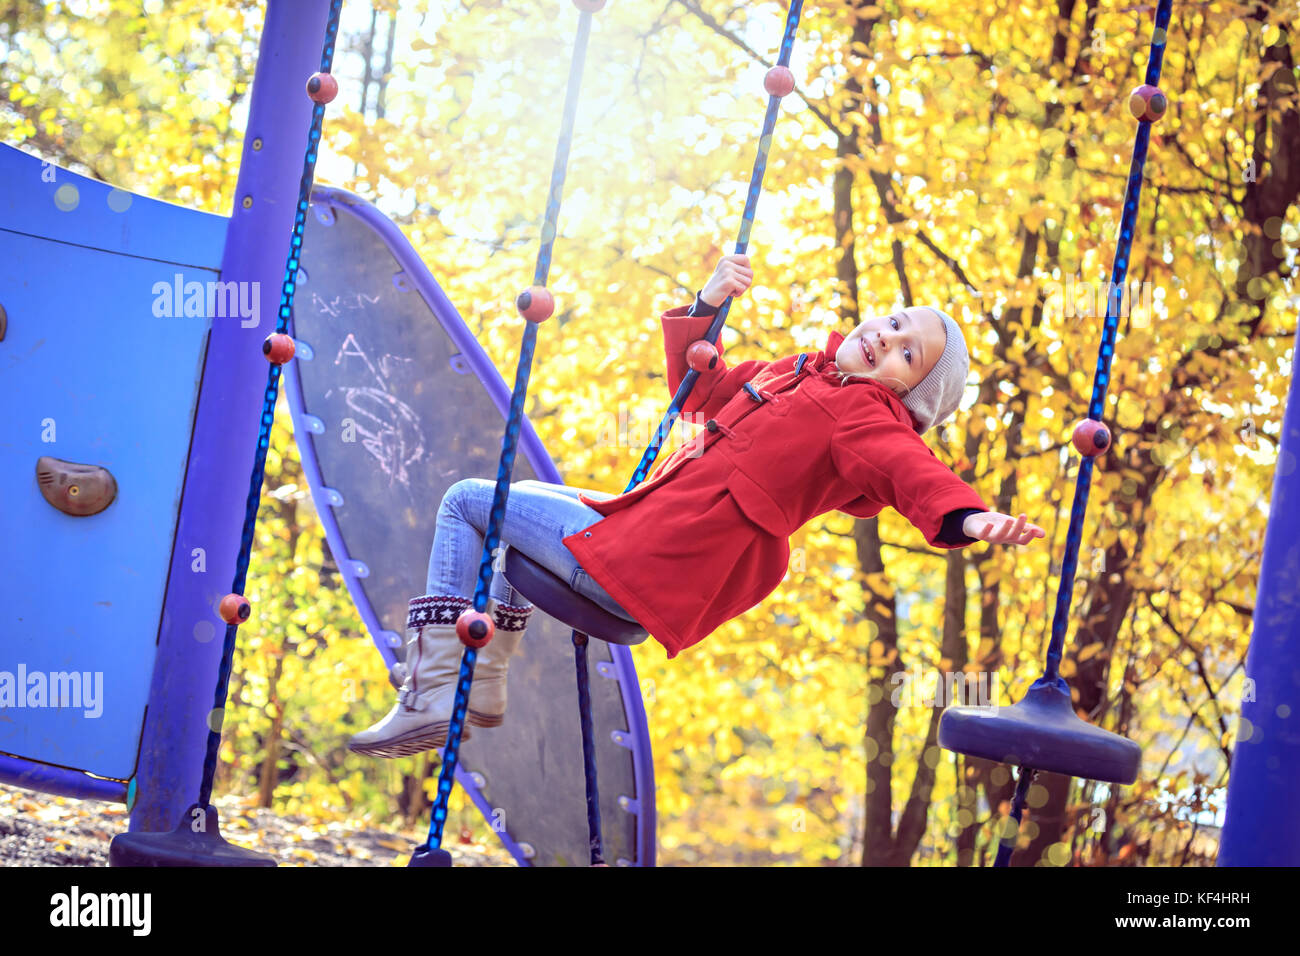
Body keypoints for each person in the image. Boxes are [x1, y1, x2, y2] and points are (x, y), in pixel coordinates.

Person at [349, 254, 1045, 758]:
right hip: (637, 529)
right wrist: (707, 301)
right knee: (516, 507)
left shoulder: (865, 417)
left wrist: (968, 517)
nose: (885, 338)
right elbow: (695, 390)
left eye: (905, 352)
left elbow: (908, 470)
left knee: (469, 502)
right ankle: (486, 684)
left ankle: (433, 689)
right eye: (893, 323)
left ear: (907, 395)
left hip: (643, 565)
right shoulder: (798, 372)